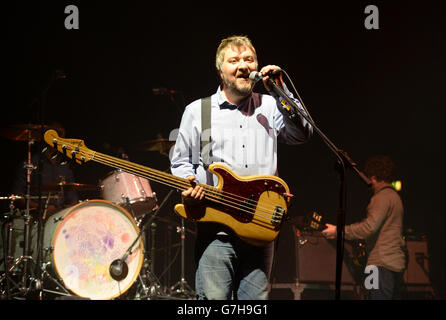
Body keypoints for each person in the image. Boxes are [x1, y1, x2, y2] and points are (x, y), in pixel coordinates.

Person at [170, 35, 312, 300]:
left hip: (260, 230)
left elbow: (303, 134)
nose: (243, 65)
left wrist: (282, 90)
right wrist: (189, 184)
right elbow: (180, 162)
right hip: (216, 230)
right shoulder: (198, 111)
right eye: (234, 60)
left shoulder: (270, 105)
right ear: (220, 70)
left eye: (249, 59)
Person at [322, 155, 406, 300]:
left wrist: (338, 231)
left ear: (373, 177)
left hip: (379, 264)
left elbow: (369, 228)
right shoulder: (395, 197)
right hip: (395, 264)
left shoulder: (381, 197)